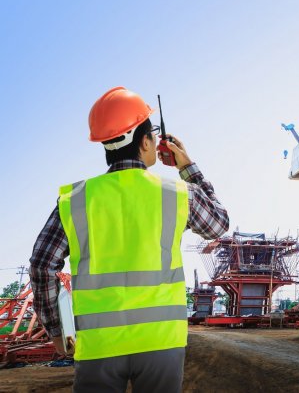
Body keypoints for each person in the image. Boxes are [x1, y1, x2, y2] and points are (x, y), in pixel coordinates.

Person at [29, 87, 229, 392]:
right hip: (161, 343)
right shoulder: (176, 194)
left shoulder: (76, 200)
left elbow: (42, 265)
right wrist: (188, 168)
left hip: (98, 345)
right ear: (146, 140)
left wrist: (57, 331)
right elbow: (219, 224)